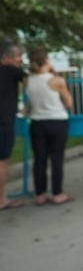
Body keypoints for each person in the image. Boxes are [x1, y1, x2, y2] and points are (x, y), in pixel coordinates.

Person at [25, 48, 74, 206]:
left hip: (37, 122)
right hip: (56, 121)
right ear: (46, 60)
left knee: (39, 159)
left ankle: (40, 194)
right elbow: (68, 103)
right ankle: (57, 193)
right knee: (56, 158)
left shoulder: (27, 80)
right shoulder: (56, 80)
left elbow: (29, 103)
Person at [0, 41, 27, 211]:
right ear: (6, 57)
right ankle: (1, 200)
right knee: (2, 162)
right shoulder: (10, 70)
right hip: (3, 122)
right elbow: (31, 81)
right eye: (18, 56)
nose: (20, 60)